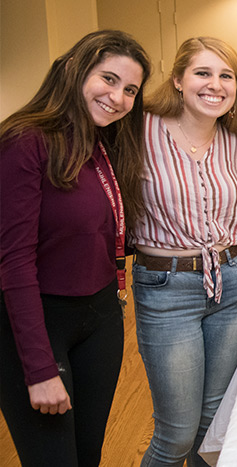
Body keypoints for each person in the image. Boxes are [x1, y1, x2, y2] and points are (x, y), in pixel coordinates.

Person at [0, 30, 150, 466]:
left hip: (100, 320)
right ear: (74, 69)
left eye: (130, 90)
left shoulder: (103, 145)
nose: (118, 97)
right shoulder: (25, 142)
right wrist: (40, 369)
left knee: (87, 456)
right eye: (108, 79)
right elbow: (14, 264)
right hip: (38, 325)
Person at [129, 37, 237, 466]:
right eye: (203, 73)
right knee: (176, 435)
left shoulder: (235, 142)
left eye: (226, 76)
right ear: (178, 79)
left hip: (233, 283)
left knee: (212, 424)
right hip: (167, 289)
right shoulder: (137, 130)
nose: (215, 85)